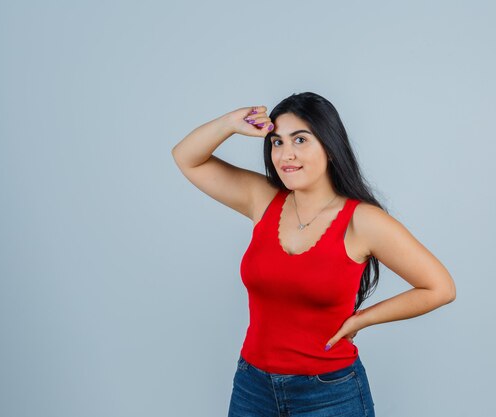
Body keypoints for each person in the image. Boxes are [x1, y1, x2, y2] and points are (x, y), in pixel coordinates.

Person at [171, 92, 456, 417]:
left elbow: (440, 288)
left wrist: (363, 318)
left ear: (330, 148)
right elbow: (186, 157)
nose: (285, 154)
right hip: (253, 388)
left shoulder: (362, 221)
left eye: (300, 140)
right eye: (277, 142)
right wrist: (231, 123)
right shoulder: (262, 199)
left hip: (329, 394)